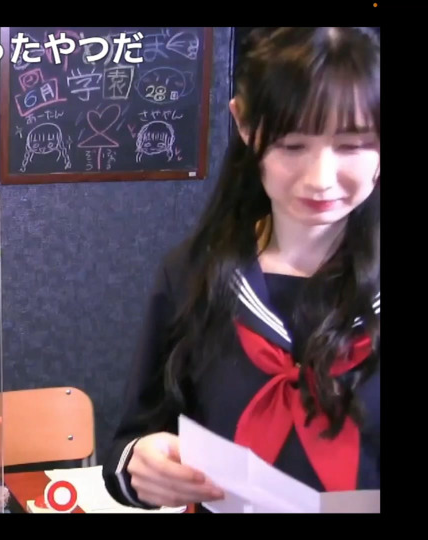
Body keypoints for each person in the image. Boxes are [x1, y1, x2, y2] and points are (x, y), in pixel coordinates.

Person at [104, 27, 380, 510]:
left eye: (352, 146)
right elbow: (132, 444)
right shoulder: (193, 274)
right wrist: (142, 464)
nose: (321, 178)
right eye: (292, 145)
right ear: (245, 125)